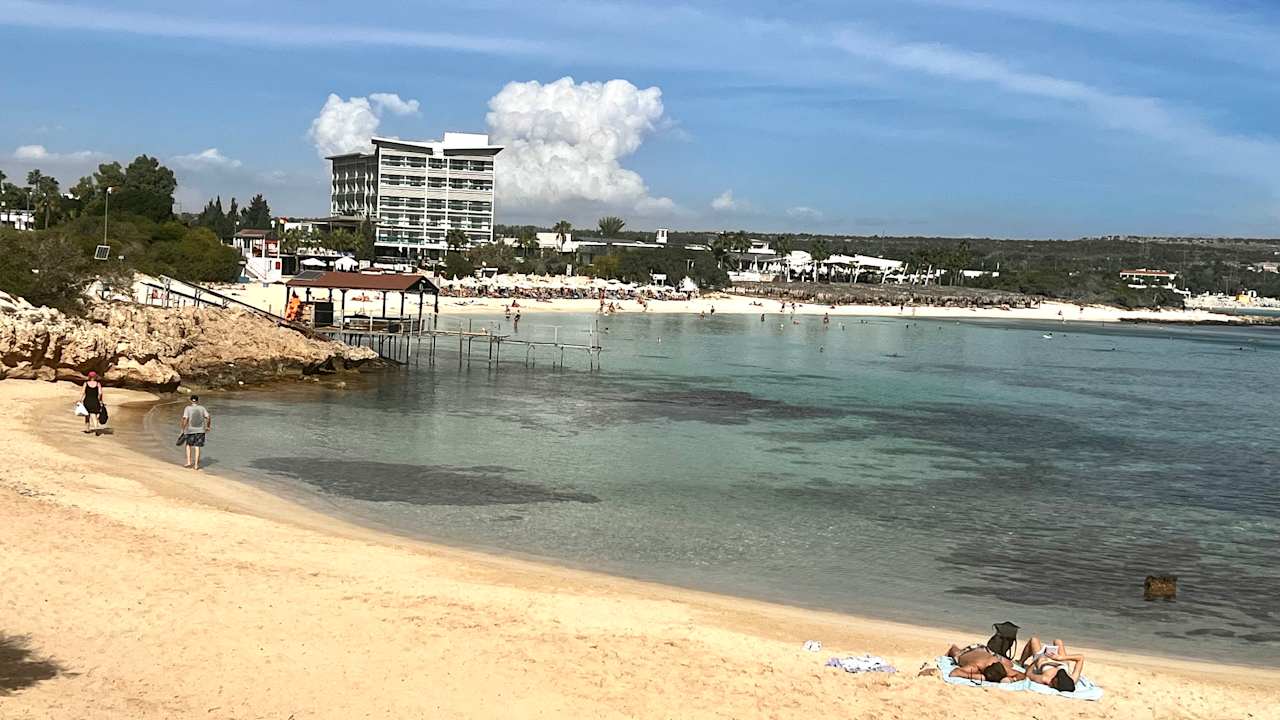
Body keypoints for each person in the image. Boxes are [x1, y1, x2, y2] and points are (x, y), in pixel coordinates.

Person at [1019, 637, 1084, 693]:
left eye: (1056, 677)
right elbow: (1081, 658)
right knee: (1058, 641)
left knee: (1034, 640)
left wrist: (1035, 662)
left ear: (1056, 683)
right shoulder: (1072, 680)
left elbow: (1029, 674)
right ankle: (1059, 657)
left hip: (1043, 661)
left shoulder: (1046, 679)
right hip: (1061, 662)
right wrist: (1060, 658)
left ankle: (1021, 662)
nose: (1055, 676)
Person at [945, 642, 1023, 683]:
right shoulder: (975, 667)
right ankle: (953, 647)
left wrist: (1012, 679)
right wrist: (975, 676)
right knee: (955, 653)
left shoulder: (999, 666)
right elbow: (954, 673)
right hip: (968, 651)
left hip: (985, 650)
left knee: (1010, 664)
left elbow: (1022, 675)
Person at [179, 395, 212, 470]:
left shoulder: (187, 408)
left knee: (188, 445)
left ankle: (189, 462)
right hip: (201, 431)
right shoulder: (202, 408)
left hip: (190, 430)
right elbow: (208, 417)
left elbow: (185, 419)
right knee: (197, 447)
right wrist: (208, 426)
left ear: (191, 400)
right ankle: (196, 465)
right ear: (197, 400)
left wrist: (182, 429)